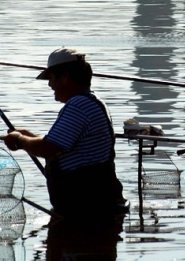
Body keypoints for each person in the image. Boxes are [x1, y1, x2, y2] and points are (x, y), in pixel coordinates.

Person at [3, 48, 126, 219]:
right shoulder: (92, 101)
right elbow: (60, 143)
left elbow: (48, 148)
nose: (50, 85)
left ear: (66, 77)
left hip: (87, 208)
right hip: (97, 203)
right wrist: (26, 135)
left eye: (52, 78)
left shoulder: (78, 106)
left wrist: (20, 140)